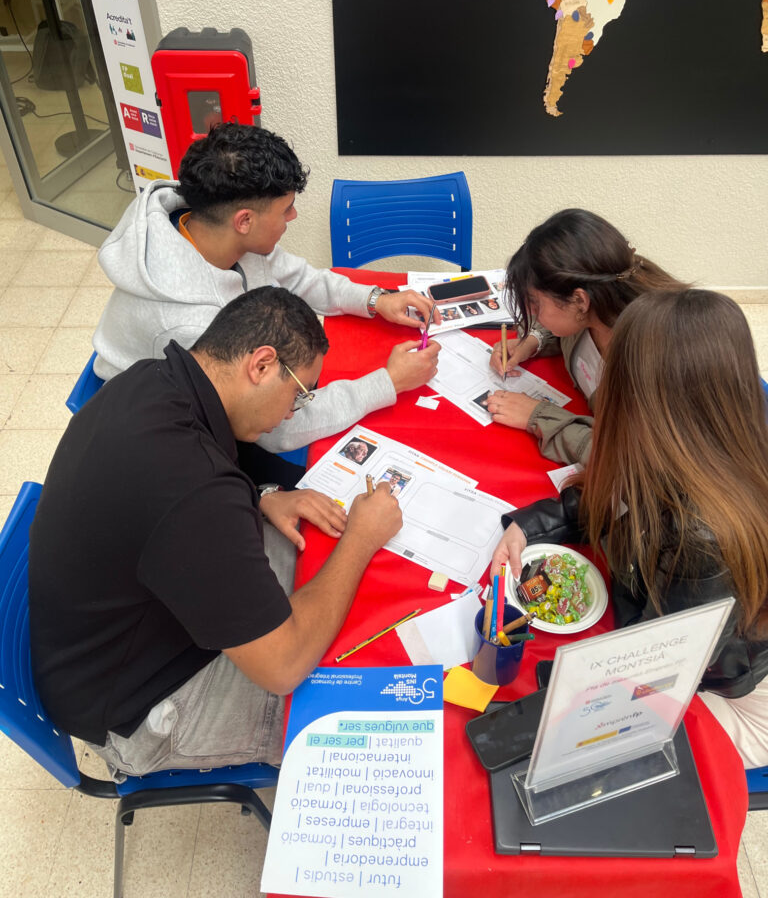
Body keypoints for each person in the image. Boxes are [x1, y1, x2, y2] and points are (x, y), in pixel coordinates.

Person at [29, 287, 403, 776]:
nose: (293, 411)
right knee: (361, 705)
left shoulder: (151, 377)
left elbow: (174, 505)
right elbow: (284, 666)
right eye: (299, 393)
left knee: (330, 575)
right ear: (262, 365)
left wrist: (262, 495)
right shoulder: (194, 488)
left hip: (110, 640)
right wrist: (361, 539)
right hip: (139, 711)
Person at [491, 290, 768, 767]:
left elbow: (652, 669)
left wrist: (550, 689)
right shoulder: (688, 448)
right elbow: (619, 493)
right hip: (680, 638)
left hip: (729, 694)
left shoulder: (705, 537)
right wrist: (530, 525)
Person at [92, 122, 440, 456]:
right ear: (244, 220)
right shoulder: (189, 325)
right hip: (163, 434)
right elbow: (277, 426)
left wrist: (375, 299)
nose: (293, 216)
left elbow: (301, 279)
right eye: (286, 209)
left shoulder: (208, 224)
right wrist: (389, 382)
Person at [486, 209, 684, 464]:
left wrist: (538, 417)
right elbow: (567, 321)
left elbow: (634, 462)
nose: (532, 313)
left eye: (535, 303)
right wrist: (534, 340)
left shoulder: (652, 366)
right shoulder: (601, 299)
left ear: (580, 300)